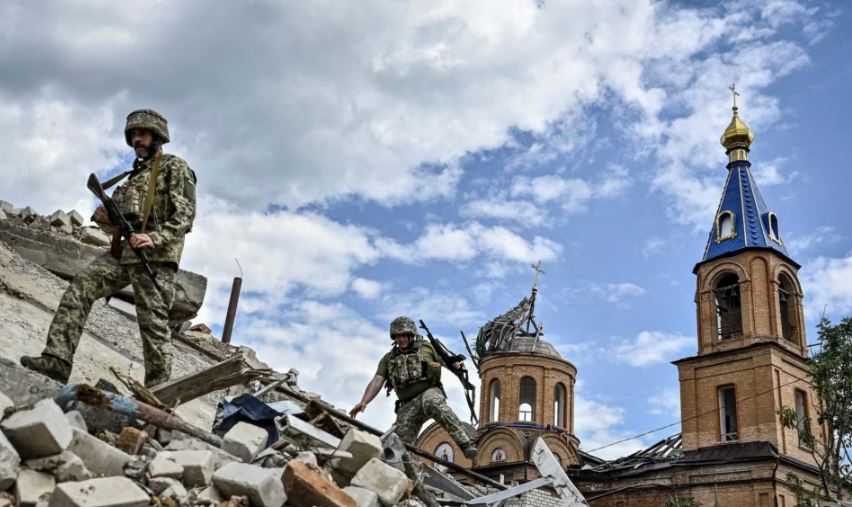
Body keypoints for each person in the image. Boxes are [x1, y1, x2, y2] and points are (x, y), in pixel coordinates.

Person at [21, 109, 197, 388]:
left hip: (157, 257)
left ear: (157, 136)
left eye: (142, 134)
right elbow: (122, 224)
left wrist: (155, 237)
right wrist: (106, 221)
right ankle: (57, 360)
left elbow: (185, 216)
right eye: (133, 135)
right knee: (81, 288)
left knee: (153, 327)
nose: (137, 139)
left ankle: (159, 395)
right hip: (126, 254)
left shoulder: (175, 167)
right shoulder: (134, 178)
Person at [350, 316, 479, 459]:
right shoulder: (389, 358)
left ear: (411, 335)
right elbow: (377, 380)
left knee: (434, 403)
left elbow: (447, 360)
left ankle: (465, 444)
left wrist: (456, 365)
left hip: (429, 392)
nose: (401, 339)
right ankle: (409, 473)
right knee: (398, 445)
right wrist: (364, 401)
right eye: (397, 336)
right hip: (407, 405)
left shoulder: (427, 347)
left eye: (404, 335)